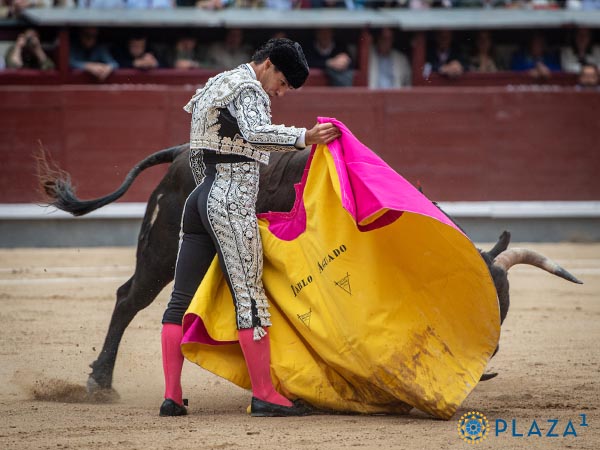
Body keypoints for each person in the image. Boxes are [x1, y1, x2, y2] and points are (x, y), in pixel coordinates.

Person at [159, 37, 340, 417]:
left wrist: (205, 195)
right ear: (269, 65)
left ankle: (172, 397)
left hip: (200, 198)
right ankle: (264, 395)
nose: (283, 93)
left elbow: (197, 147)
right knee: (250, 298)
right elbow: (257, 132)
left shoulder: (218, 83)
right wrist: (303, 137)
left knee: (180, 300)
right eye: (284, 83)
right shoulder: (249, 88)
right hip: (229, 201)